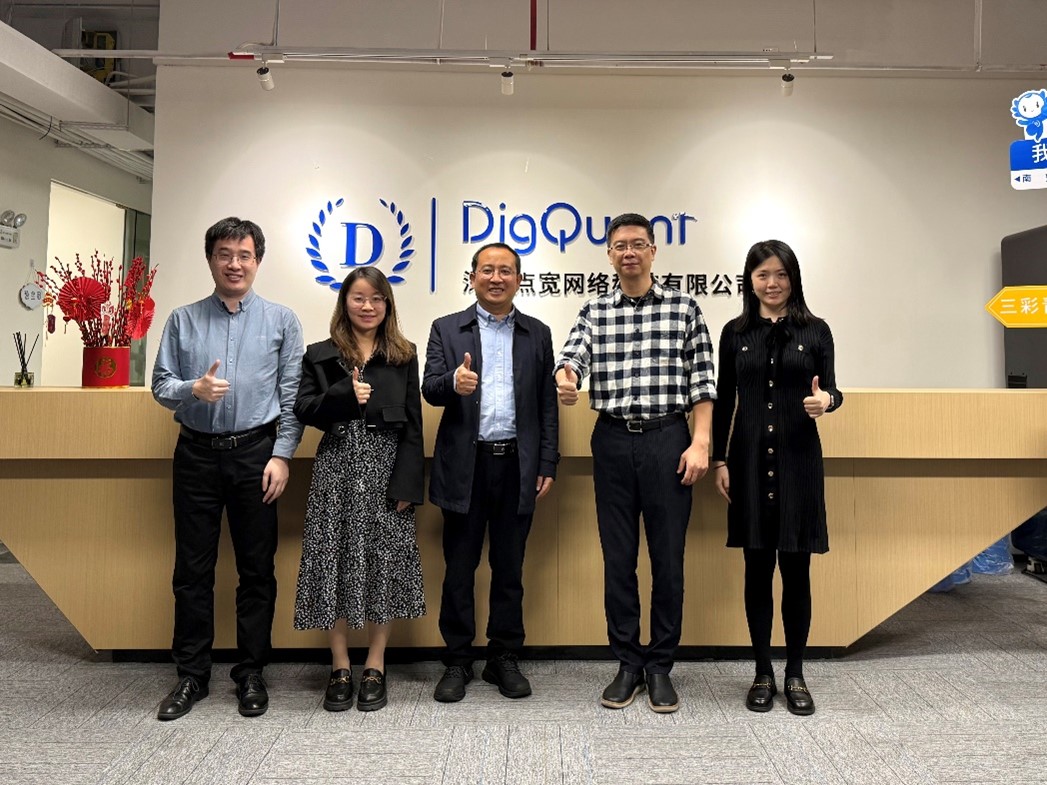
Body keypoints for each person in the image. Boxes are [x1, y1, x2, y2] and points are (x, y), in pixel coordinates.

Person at [555, 213, 716, 714]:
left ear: (653, 251)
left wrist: (701, 442)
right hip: (612, 440)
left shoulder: (684, 308)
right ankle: (628, 662)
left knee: (668, 559)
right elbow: (572, 357)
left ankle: (660, 665)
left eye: (638, 244)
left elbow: (703, 381)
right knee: (618, 558)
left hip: (669, 439)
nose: (629, 252)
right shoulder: (595, 309)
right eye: (620, 245)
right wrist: (566, 378)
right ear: (609, 255)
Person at [151, 217, 304, 720]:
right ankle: (191, 675)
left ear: (257, 261)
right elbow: (161, 385)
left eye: (244, 255)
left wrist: (282, 454)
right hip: (195, 454)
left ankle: (251, 672)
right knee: (191, 571)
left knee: (256, 570)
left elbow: (291, 396)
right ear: (211, 259)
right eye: (224, 254)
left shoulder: (282, 321)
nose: (234, 264)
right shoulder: (183, 319)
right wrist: (191, 390)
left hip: (256, 455)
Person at [710, 239, 842, 716]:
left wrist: (826, 401)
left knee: (797, 571)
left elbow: (832, 390)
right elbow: (724, 400)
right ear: (749, 281)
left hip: (798, 460)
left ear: (794, 279)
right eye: (763, 274)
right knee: (757, 569)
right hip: (747, 460)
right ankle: (763, 671)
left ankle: (796, 673)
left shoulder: (816, 330)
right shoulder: (735, 333)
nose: (772, 283)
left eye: (781, 274)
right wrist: (720, 461)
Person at [423, 242, 559, 702]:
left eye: (505, 271)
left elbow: (546, 404)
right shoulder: (446, 328)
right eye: (487, 270)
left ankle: (503, 656)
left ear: (519, 279)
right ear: (473, 277)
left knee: (509, 568)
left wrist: (547, 461)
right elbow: (430, 388)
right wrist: (453, 383)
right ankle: (458, 660)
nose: (496, 278)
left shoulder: (537, 333)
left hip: (518, 465)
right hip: (465, 466)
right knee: (459, 568)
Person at [292, 267, 425, 712]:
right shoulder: (320, 354)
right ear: (344, 302)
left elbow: (413, 425)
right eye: (358, 298)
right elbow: (304, 408)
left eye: (376, 298)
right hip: (337, 469)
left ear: (388, 304)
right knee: (334, 561)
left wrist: (408, 484)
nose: (368, 306)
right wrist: (342, 396)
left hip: (387, 471)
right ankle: (340, 665)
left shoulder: (404, 355)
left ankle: (375, 663)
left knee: (382, 565)